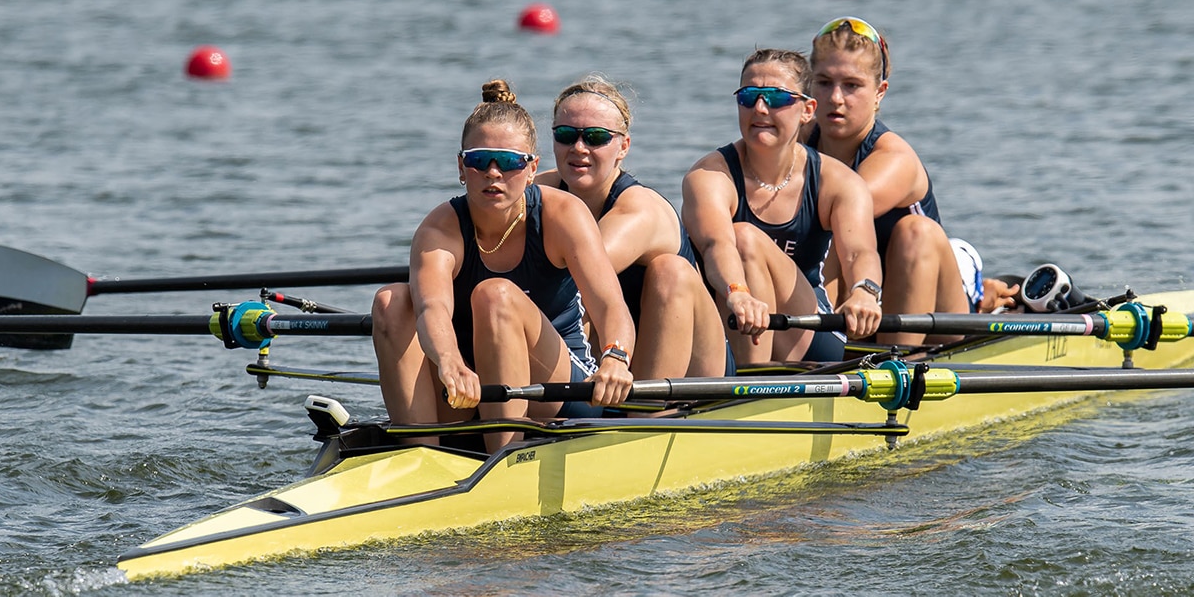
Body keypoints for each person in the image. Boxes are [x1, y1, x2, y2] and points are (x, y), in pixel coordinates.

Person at [371, 79, 637, 452]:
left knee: (494, 295)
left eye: (510, 162)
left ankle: (504, 455)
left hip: (557, 391)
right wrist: (449, 362)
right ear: (462, 167)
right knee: (391, 301)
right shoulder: (438, 229)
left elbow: (611, 306)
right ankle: (419, 453)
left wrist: (616, 358)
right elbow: (433, 308)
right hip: (471, 388)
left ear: (531, 169)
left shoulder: (563, 215)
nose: (494, 173)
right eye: (480, 160)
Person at [806, 17, 1017, 343]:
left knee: (910, 231)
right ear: (808, 87)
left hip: (936, 314)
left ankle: (899, 361)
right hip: (861, 302)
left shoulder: (894, 158)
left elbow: (834, 220)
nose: (835, 98)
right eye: (824, 82)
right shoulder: (796, 143)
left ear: (879, 92)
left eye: (851, 85)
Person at [681, 48, 883, 366]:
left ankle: (751, 388)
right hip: (730, 315)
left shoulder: (838, 181)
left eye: (776, 98)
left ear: (807, 110)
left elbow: (860, 253)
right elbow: (715, 244)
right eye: (749, 97)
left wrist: (865, 293)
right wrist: (739, 293)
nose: (760, 108)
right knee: (737, 241)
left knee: (745, 237)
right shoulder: (709, 175)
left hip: (808, 332)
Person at [535, 74, 730, 379]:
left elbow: (575, 284)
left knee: (669, 270)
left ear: (623, 146)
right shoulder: (538, 190)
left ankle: (650, 417)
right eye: (565, 134)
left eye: (596, 137)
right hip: (610, 360)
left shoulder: (639, 211)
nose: (579, 147)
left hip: (695, 371)